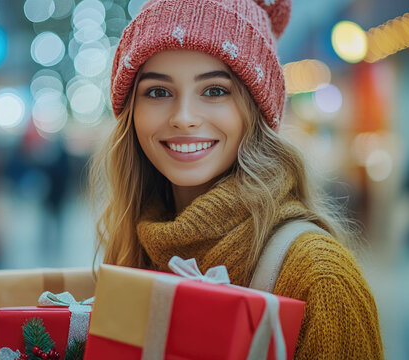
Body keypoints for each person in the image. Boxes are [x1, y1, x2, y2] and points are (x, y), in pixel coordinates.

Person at [89, 0, 384, 358]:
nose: (184, 118)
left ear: (256, 110)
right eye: (158, 91)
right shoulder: (134, 246)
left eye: (215, 90)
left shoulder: (319, 276)